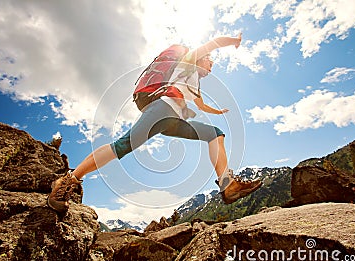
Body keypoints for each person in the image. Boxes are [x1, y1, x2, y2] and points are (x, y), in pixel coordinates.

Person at [47, 33, 262, 214]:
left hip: (171, 121)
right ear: (201, 58)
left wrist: (217, 111)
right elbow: (212, 43)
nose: (212, 66)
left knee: (215, 133)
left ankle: (227, 185)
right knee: (122, 146)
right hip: (160, 111)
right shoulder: (187, 63)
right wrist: (233, 40)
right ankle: (68, 180)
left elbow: (202, 105)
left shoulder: (192, 80)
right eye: (210, 61)